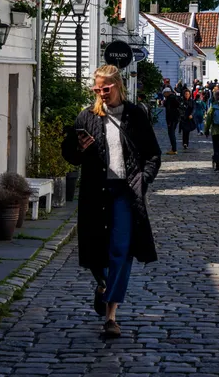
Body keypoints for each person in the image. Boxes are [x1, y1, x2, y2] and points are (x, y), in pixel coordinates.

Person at [70, 64, 161, 339]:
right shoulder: (87, 117)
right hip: (95, 192)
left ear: (118, 86)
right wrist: (78, 149)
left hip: (125, 191)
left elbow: (153, 154)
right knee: (95, 251)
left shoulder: (136, 116)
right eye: (96, 89)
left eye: (105, 89)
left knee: (121, 249)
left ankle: (111, 315)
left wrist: (143, 179)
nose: (101, 94)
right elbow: (71, 156)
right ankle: (102, 285)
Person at [163, 88, 180, 155]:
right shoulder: (174, 97)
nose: (164, 95)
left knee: (171, 134)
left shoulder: (169, 99)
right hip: (175, 118)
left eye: (164, 94)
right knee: (172, 133)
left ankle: (174, 149)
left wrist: (169, 121)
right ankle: (173, 148)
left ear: (167, 92)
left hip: (171, 119)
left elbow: (168, 110)